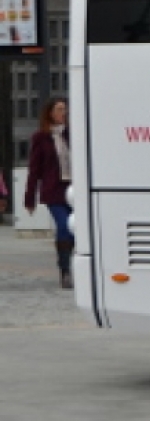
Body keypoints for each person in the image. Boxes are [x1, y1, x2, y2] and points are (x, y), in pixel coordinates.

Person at [24, 98, 74, 290]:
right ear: (50, 113)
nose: (64, 113)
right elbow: (34, 170)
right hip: (54, 191)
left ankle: (70, 264)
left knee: (76, 230)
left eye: (65, 109)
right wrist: (30, 197)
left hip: (74, 190)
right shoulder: (41, 137)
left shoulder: (73, 134)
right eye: (60, 109)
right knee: (64, 226)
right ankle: (65, 270)